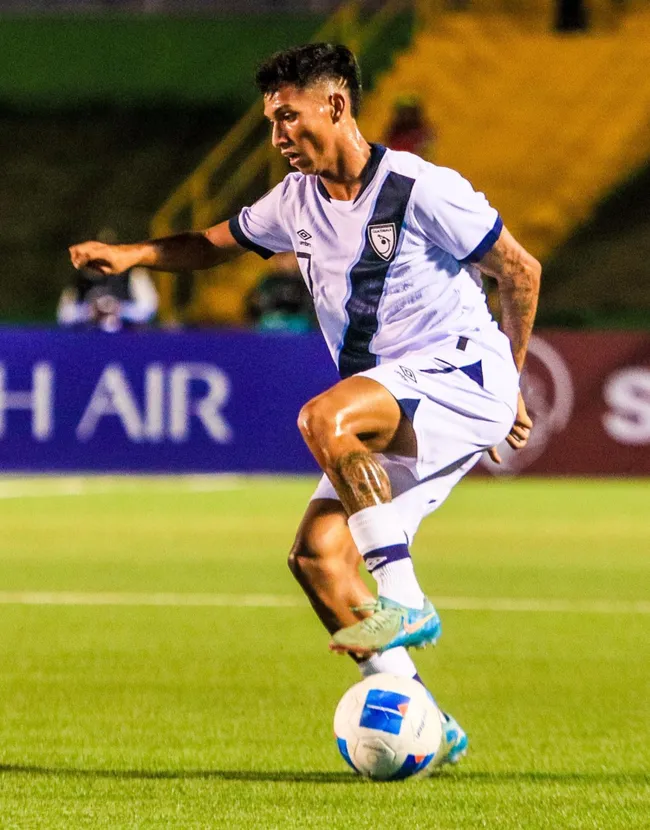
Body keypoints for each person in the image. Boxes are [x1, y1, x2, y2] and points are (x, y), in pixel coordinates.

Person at [69, 43, 540, 767]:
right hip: (398, 397)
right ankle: (429, 722)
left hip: (458, 377)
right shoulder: (295, 201)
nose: (279, 136)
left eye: (289, 117)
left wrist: (510, 380)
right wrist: (133, 256)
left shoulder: (419, 188)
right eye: (270, 122)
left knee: (324, 418)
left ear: (337, 106)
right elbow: (212, 242)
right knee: (317, 559)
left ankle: (404, 596)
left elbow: (518, 268)